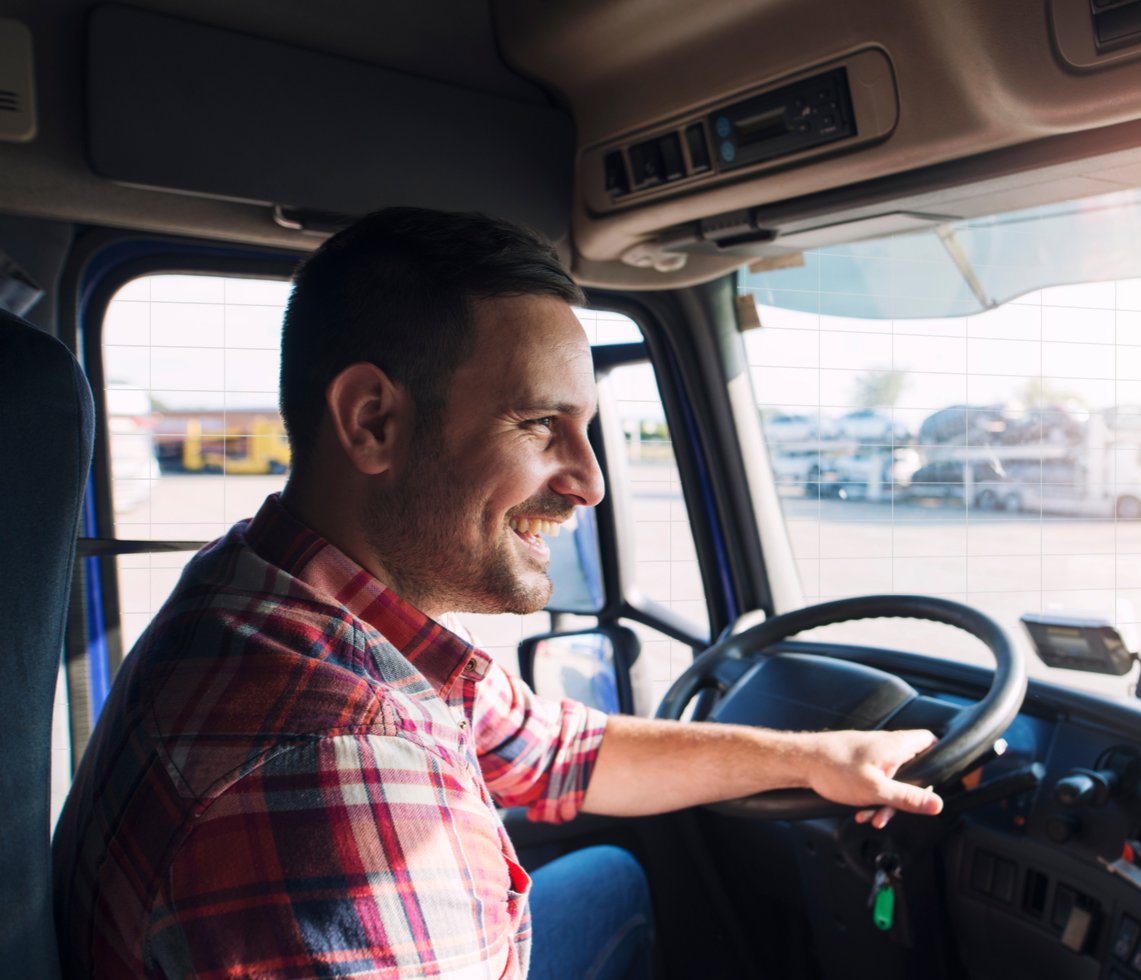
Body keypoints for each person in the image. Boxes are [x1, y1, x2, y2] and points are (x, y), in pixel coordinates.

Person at [53, 208, 943, 978]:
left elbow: (556, 750)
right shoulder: (342, 770)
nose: (589, 483)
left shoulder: (275, 584)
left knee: (609, 879)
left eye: (587, 431)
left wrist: (813, 759)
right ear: (373, 421)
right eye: (539, 425)